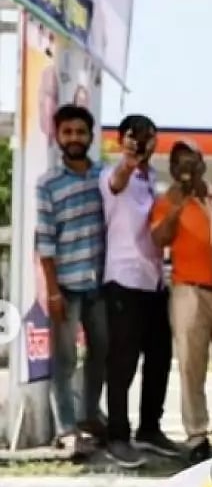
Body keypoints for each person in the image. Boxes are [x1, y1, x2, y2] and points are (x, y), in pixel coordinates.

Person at [100, 114, 179, 467]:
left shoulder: (152, 181)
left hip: (154, 283)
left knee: (160, 359)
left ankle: (150, 428)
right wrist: (127, 162)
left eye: (151, 136)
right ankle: (118, 435)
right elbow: (117, 183)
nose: (144, 142)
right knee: (123, 363)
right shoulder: (114, 175)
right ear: (122, 140)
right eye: (136, 137)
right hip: (124, 281)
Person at [150, 140, 212, 463]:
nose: (187, 169)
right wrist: (178, 205)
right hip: (189, 291)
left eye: (193, 162)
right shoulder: (165, 201)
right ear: (172, 169)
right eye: (180, 164)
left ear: (203, 164)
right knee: (190, 365)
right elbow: (159, 239)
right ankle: (196, 435)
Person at [36, 104, 108, 458]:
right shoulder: (47, 183)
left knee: (100, 356)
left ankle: (90, 416)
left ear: (90, 136)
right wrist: (51, 290)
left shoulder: (104, 178)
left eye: (80, 132)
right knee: (63, 362)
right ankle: (66, 428)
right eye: (68, 132)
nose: (74, 138)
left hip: (100, 285)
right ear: (58, 137)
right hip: (64, 285)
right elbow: (45, 241)